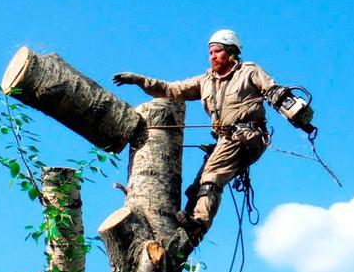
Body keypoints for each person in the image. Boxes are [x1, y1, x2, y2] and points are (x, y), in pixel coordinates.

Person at [113, 29, 312, 245]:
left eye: (217, 52)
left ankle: (198, 224)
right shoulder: (205, 81)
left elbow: (274, 92)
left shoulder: (249, 72)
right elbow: (172, 89)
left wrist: (300, 117)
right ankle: (185, 228)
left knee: (212, 177)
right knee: (197, 187)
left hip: (246, 135)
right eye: (210, 53)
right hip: (224, 141)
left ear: (231, 53)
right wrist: (139, 80)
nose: (212, 57)